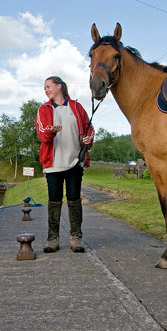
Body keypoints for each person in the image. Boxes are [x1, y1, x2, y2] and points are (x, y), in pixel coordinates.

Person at [36, 76, 94, 253]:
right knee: (54, 201)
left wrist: (87, 139)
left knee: (74, 200)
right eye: (44, 88)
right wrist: (51, 132)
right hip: (53, 164)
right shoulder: (43, 109)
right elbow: (42, 134)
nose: (46, 90)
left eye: (48, 86)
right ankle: (52, 239)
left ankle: (76, 238)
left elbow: (89, 129)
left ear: (59, 86)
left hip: (75, 161)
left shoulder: (76, 107)